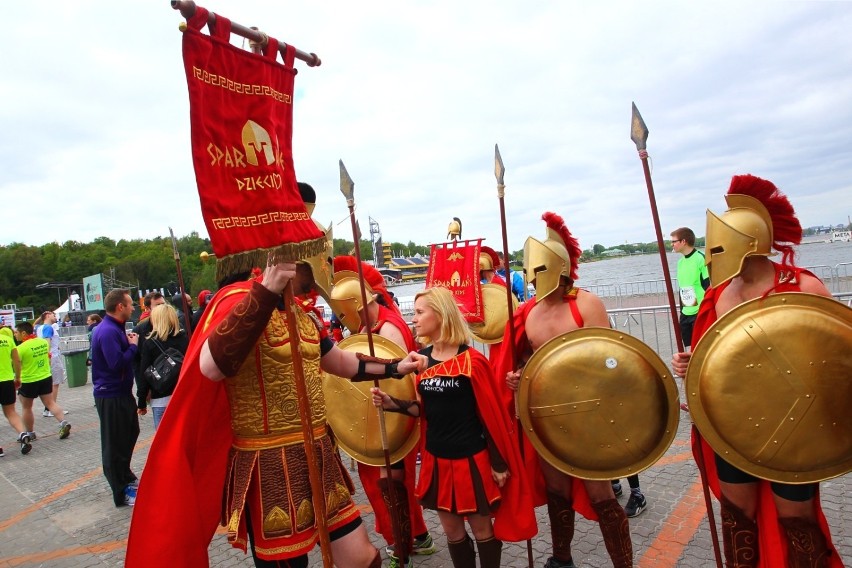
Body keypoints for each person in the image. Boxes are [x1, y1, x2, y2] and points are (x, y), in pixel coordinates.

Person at [126, 260, 425, 568]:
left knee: (361, 558)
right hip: (269, 463)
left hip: (320, 456)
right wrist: (264, 294)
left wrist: (394, 367)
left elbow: (341, 362)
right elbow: (211, 367)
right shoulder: (238, 303)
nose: (321, 267)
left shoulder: (303, 315)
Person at [671, 174, 843, 568]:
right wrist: (689, 363)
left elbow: (837, 359)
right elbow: (714, 360)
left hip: (794, 429)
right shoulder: (716, 296)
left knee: (797, 521)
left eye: (718, 245)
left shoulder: (801, 287)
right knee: (737, 518)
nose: (712, 254)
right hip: (733, 427)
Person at [501, 212, 634, 568]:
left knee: (601, 494)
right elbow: (527, 362)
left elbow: (612, 361)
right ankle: (562, 559)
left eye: (540, 271)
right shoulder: (527, 312)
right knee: (557, 491)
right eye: (530, 271)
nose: (533, 278)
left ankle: (624, 564)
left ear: (561, 268)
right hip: (545, 415)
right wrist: (518, 377)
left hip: (589, 415)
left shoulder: (585, 304)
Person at [372, 286, 536, 568]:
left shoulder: (473, 362)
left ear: (441, 315)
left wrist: (498, 464)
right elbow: (427, 410)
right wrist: (392, 403)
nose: (414, 318)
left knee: (483, 531)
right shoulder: (420, 360)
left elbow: (491, 417)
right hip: (437, 461)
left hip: (472, 460)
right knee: (452, 533)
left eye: (421, 312)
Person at [329, 256, 437, 568]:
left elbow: (398, 383)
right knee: (393, 486)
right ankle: (418, 538)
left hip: (390, 419)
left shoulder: (387, 329)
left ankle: (400, 549)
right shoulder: (371, 325)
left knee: (389, 487)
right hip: (376, 417)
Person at [90, 289, 140, 507]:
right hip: (110, 395)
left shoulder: (115, 328)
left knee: (129, 433)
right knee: (115, 443)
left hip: (120, 393)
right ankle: (120, 490)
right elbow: (116, 363)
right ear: (120, 306)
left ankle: (125, 475)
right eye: (130, 304)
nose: (133, 308)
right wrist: (133, 348)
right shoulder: (108, 331)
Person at [12, 321, 71, 443]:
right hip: (45, 377)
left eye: (16, 332)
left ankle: (30, 433)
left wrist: (17, 379)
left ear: (23, 333)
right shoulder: (43, 342)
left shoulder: (19, 349)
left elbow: (16, 365)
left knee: (26, 407)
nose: (15, 335)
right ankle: (63, 422)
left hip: (29, 380)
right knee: (50, 403)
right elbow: (48, 358)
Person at [136, 304, 188, 430]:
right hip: (183, 396)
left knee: (163, 442)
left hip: (161, 398)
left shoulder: (150, 343)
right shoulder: (185, 339)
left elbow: (145, 374)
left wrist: (141, 402)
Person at [670, 227, 710, 350]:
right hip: (686, 312)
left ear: (684, 241)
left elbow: (708, 285)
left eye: (674, 241)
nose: (672, 244)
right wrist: (682, 311)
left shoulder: (700, 259)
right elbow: (683, 287)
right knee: (689, 348)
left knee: (701, 348)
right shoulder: (680, 263)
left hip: (700, 312)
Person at [0, 326, 33, 455]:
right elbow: (16, 360)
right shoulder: (7, 340)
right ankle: (22, 433)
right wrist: (17, 377)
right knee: (11, 412)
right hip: (7, 380)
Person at [37, 311, 67, 417]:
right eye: (54, 315)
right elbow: (47, 342)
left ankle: (48, 408)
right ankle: (52, 408)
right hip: (53, 357)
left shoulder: (38, 328)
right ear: (48, 316)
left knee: (51, 383)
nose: (55, 317)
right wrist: (48, 356)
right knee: (55, 383)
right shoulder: (48, 328)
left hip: (45, 357)